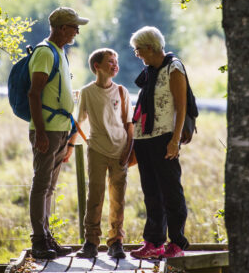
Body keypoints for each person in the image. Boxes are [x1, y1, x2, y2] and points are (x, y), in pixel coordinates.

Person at [27, 7, 88, 259]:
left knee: (49, 187)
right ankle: (39, 241)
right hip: (48, 130)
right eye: (74, 27)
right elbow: (34, 93)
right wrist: (40, 132)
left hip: (60, 129)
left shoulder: (60, 52)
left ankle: (46, 236)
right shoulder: (44, 52)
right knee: (41, 185)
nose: (77, 31)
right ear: (62, 28)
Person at [128, 26, 191, 260]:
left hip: (164, 138)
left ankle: (177, 243)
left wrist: (175, 140)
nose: (137, 54)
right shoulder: (150, 70)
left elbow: (181, 106)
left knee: (171, 192)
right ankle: (153, 242)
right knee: (151, 193)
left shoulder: (174, 67)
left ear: (149, 47)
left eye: (137, 50)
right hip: (144, 138)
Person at [72, 48, 133, 260]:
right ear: (97, 66)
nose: (115, 65)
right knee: (95, 196)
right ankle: (91, 242)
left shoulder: (122, 91)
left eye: (116, 61)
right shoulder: (87, 92)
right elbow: (77, 120)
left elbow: (129, 124)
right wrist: (73, 145)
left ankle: (116, 242)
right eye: (110, 61)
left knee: (118, 198)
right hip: (96, 150)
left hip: (120, 150)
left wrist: (128, 150)